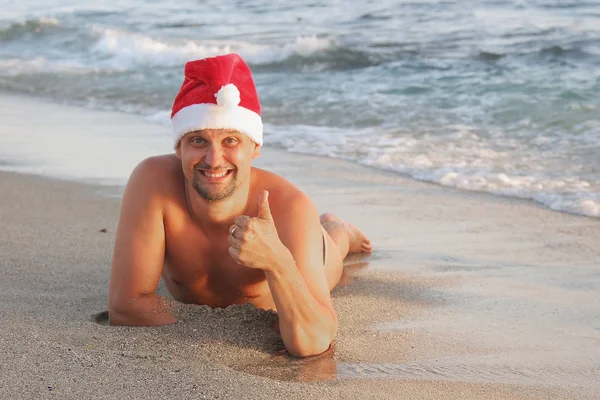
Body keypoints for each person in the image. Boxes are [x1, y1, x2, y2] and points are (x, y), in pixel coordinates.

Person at [108, 53, 372, 357]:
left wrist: (277, 261)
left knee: (333, 248)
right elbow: (124, 307)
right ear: (178, 146)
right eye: (198, 140)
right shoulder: (152, 182)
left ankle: (338, 230)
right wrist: (213, 325)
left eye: (231, 140)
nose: (214, 159)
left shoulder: (290, 207)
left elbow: (312, 341)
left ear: (255, 147)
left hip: (316, 255)